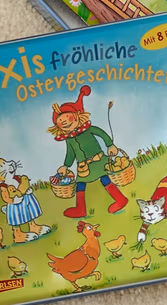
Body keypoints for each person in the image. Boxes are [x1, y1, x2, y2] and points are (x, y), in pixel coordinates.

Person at [49, 86, 128, 218]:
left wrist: (110, 145)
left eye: (67, 117)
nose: (64, 121)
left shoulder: (88, 129)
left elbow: (101, 133)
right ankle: (81, 209)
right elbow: (70, 154)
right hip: (83, 167)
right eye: (60, 121)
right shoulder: (69, 139)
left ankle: (120, 200)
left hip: (99, 160)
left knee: (105, 179)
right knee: (80, 184)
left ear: (78, 116)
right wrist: (65, 166)